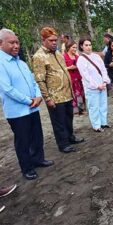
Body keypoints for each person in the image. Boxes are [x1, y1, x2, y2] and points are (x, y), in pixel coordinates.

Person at [0, 28, 54, 180]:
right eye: (11, 43)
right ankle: (27, 168)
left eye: (17, 42)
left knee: (37, 136)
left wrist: (37, 96)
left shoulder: (21, 62)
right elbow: (7, 89)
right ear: (1, 43)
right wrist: (29, 100)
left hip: (33, 107)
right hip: (17, 111)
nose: (16, 46)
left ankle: (38, 159)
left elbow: (33, 81)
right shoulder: (1, 63)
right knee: (23, 141)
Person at [33, 27, 84, 153]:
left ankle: (70, 137)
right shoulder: (39, 57)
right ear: (43, 40)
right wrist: (47, 98)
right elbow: (40, 80)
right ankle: (63, 144)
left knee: (68, 118)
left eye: (56, 40)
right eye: (51, 40)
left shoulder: (58, 53)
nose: (54, 42)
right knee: (59, 122)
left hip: (67, 93)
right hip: (55, 97)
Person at [76, 37, 111, 132]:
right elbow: (86, 76)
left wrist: (104, 81)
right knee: (94, 106)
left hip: (102, 85)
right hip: (92, 88)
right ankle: (96, 125)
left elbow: (103, 70)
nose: (88, 47)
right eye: (86, 45)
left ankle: (104, 122)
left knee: (103, 105)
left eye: (90, 45)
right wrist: (96, 85)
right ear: (81, 46)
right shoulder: (81, 60)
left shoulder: (96, 57)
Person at [63, 40, 86, 115]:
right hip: (70, 79)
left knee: (80, 94)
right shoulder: (64, 57)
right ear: (68, 47)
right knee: (73, 94)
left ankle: (81, 108)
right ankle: (74, 110)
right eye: (73, 47)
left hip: (78, 78)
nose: (75, 49)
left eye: (76, 47)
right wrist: (70, 67)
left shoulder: (77, 57)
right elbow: (62, 68)